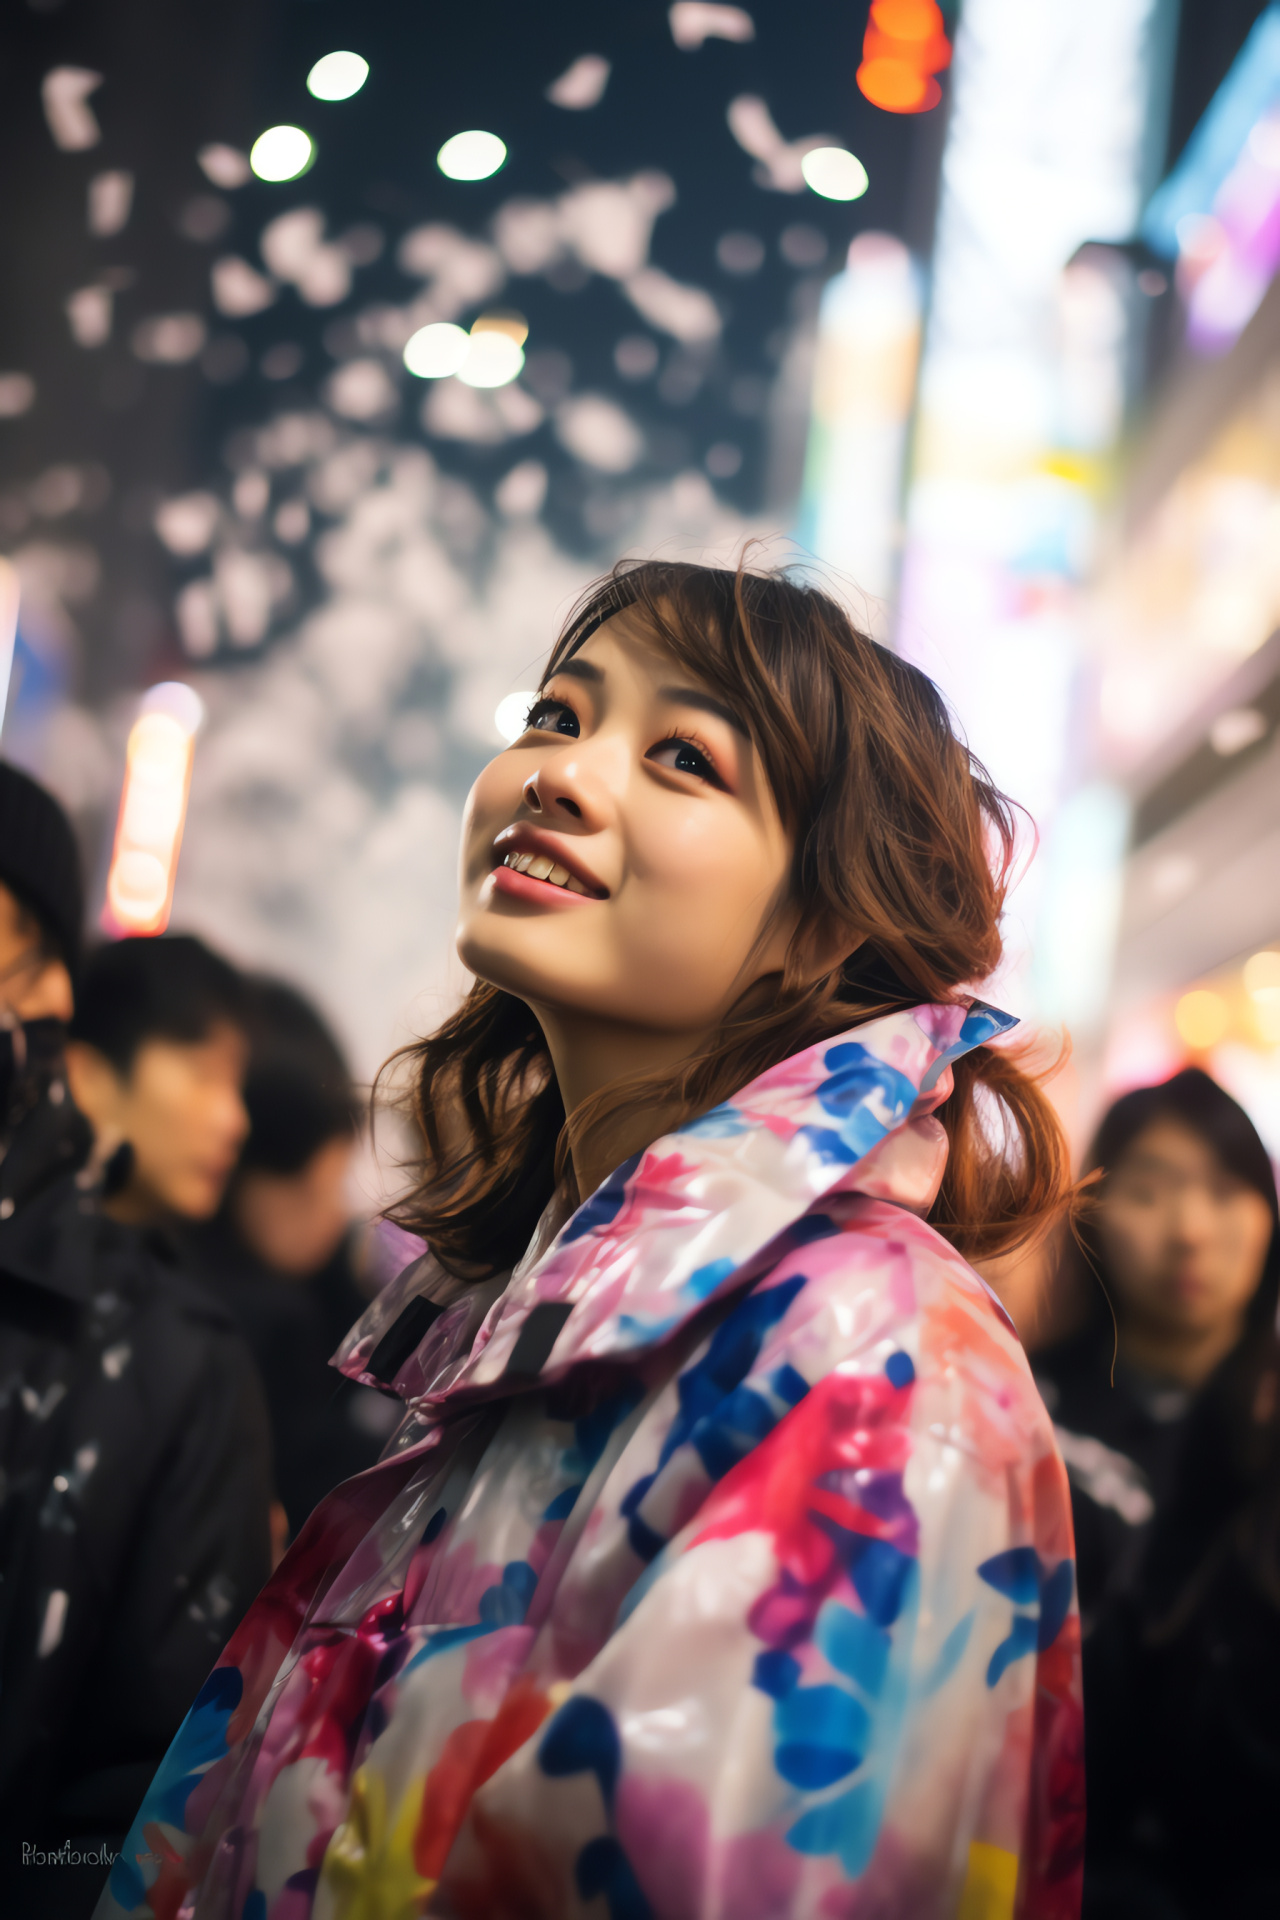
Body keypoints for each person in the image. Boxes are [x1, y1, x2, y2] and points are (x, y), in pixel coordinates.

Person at [98, 561, 1084, 1920]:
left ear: (829, 913)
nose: (555, 775)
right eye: (557, 717)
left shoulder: (871, 1352)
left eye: (684, 756)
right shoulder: (540, 1314)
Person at [0, 769, 273, 1916]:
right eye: (204, 1075)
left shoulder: (174, 1361)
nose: (232, 1120)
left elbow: (127, 1832)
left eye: (237, 1082)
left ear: (47, 993)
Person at [1034, 1068, 1280, 1918]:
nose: (1190, 1231)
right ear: (1092, 1213)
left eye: (1224, 1189)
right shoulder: (1025, 1413)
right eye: (1149, 1191)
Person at [182, 978, 397, 1538]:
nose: (335, 1215)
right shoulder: (261, 1326)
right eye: (316, 1192)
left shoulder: (308, 1283)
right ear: (241, 1170)